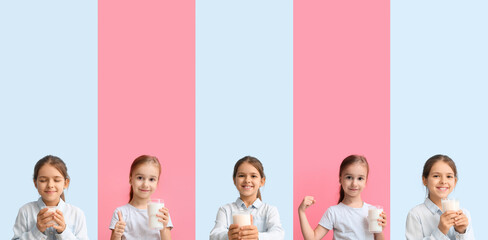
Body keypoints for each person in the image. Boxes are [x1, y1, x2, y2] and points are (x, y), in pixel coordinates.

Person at [298, 154, 387, 240]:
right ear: (340, 179)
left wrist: (379, 231)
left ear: (365, 182)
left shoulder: (372, 211)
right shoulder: (333, 212)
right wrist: (301, 211)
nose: (354, 184)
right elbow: (312, 238)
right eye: (349, 177)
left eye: (360, 178)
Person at [12, 155, 89, 240]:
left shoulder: (76, 214)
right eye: (43, 180)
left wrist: (64, 231)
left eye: (56, 180)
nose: (50, 185)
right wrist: (37, 231)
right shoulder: (25, 211)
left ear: (65, 183)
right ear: (35, 183)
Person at [210, 156, 285, 240]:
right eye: (241, 175)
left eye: (253, 176)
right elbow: (213, 235)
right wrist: (227, 236)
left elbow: (279, 234)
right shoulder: (225, 210)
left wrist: (258, 236)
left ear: (262, 181)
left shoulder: (269, 210)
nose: (247, 180)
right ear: (234, 180)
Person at [405, 154, 474, 239]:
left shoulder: (464, 215)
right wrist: (440, 231)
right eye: (436, 176)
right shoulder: (416, 214)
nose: (443, 181)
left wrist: (462, 232)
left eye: (449, 176)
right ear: (424, 180)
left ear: (455, 181)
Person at [110, 155, 172, 240]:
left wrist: (164, 229)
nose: (145, 185)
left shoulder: (161, 212)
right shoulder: (121, 213)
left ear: (157, 182)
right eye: (140, 178)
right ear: (130, 179)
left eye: (151, 179)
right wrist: (116, 235)